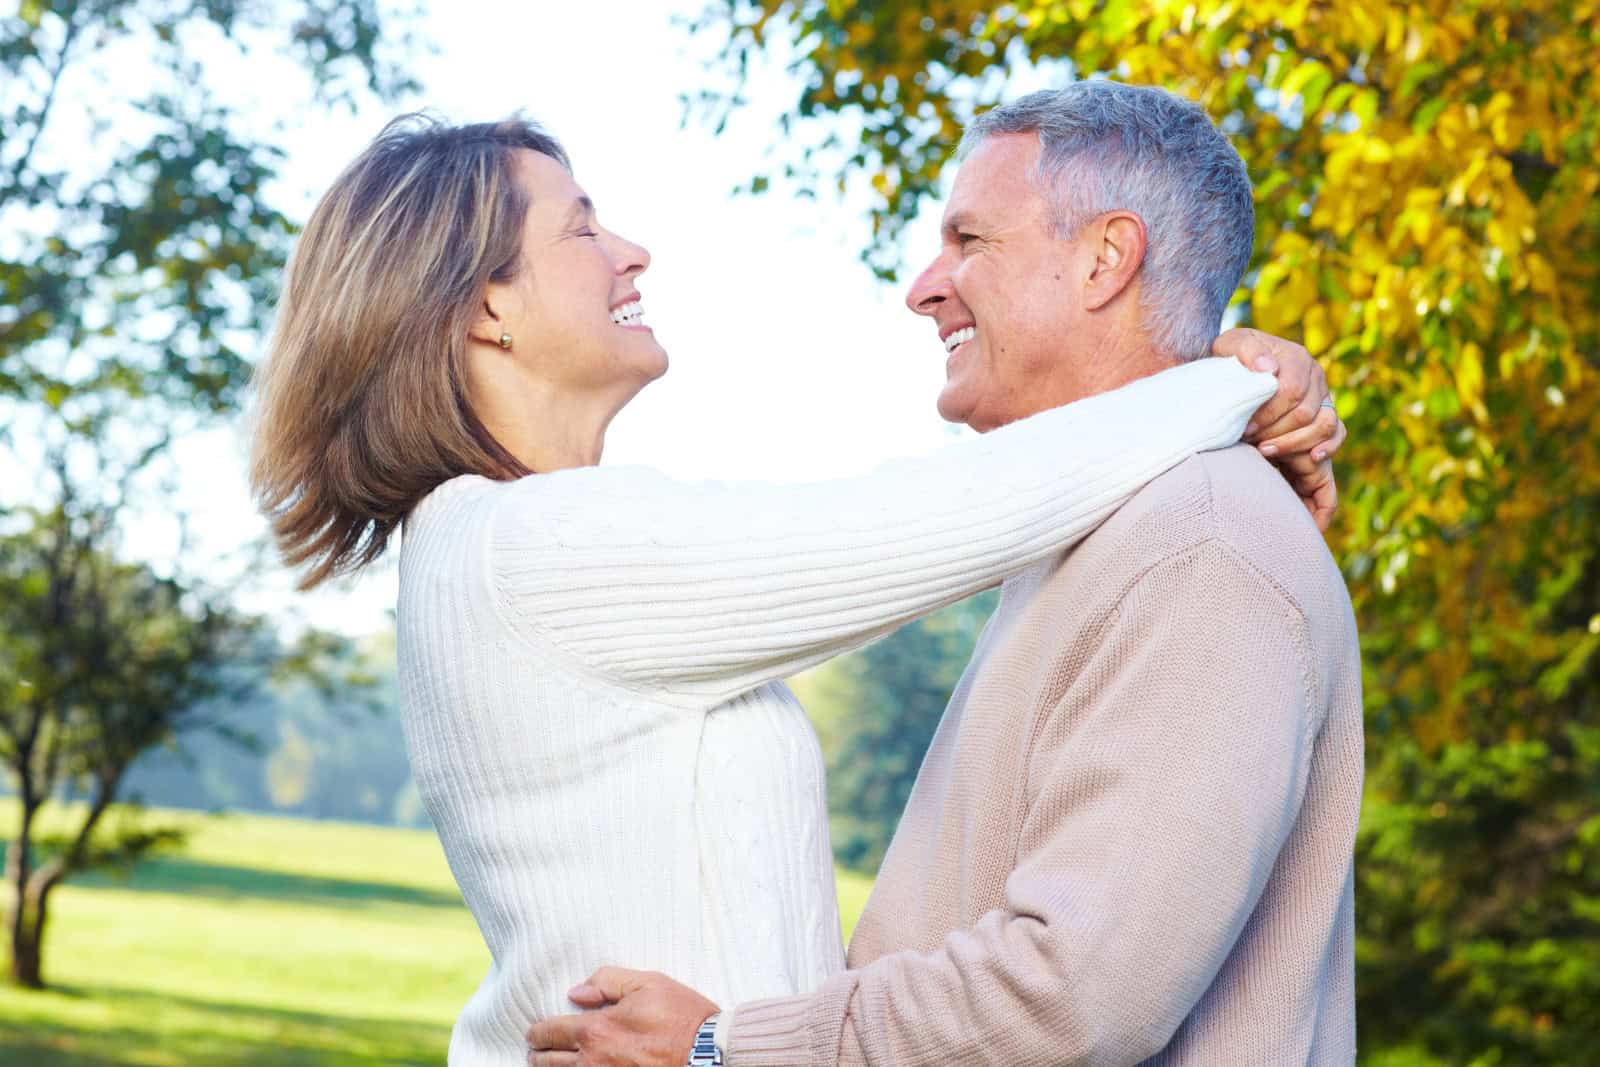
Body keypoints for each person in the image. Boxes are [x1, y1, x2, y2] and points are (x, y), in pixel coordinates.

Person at [248, 107, 1341, 1067]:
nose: (631, 249)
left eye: (967, 238)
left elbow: (1076, 982)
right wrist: (1229, 381)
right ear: (486, 309)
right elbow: (936, 517)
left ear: (1107, 261)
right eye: (581, 227)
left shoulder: (1194, 540)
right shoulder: (529, 549)